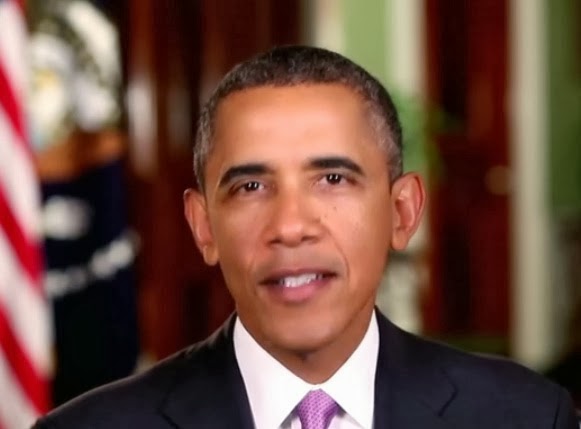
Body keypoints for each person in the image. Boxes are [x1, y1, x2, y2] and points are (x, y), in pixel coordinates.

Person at [32, 45, 578, 429]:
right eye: (250, 186)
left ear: (402, 212)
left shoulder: (526, 416)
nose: (290, 226)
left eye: (333, 179)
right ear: (203, 226)